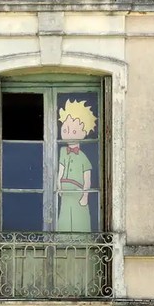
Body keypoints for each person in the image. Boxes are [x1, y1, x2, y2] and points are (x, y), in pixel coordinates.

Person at [56, 99, 96, 232]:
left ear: (84, 133)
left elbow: (87, 179)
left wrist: (85, 196)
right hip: (65, 193)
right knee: (65, 217)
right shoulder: (62, 151)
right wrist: (58, 187)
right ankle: (62, 242)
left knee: (80, 218)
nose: (68, 134)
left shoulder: (84, 157)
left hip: (78, 193)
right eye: (66, 130)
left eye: (74, 132)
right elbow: (60, 171)